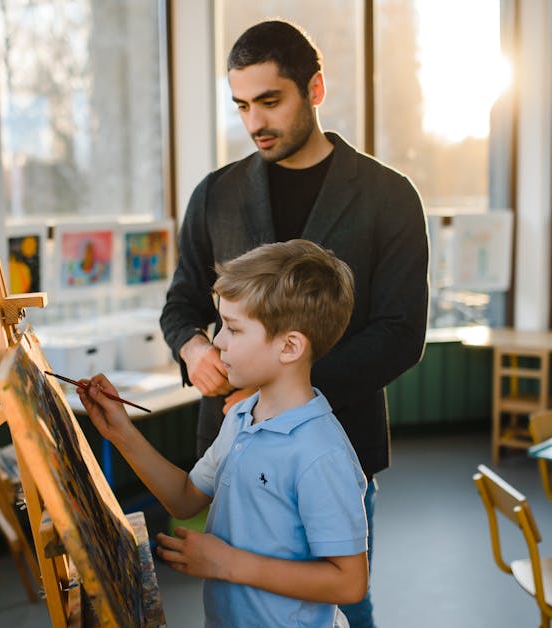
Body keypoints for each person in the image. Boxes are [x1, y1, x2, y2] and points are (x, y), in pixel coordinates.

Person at [159, 18, 429, 626]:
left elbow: (401, 333)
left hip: (339, 446)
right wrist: (195, 347)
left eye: (270, 101)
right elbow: (181, 307)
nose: (254, 121)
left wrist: (277, 391)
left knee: (345, 604)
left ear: (315, 89)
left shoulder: (390, 196)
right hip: (227, 447)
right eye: (242, 105)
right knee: (239, 605)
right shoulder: (214, 195)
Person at [79, 240, 368, 627]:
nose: (216, 341)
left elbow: (349, 584)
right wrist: (122, 432)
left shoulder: (321, 453)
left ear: (289, 346)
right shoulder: (241, 418)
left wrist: (229, 564)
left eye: (233, 328)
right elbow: (184, 500)